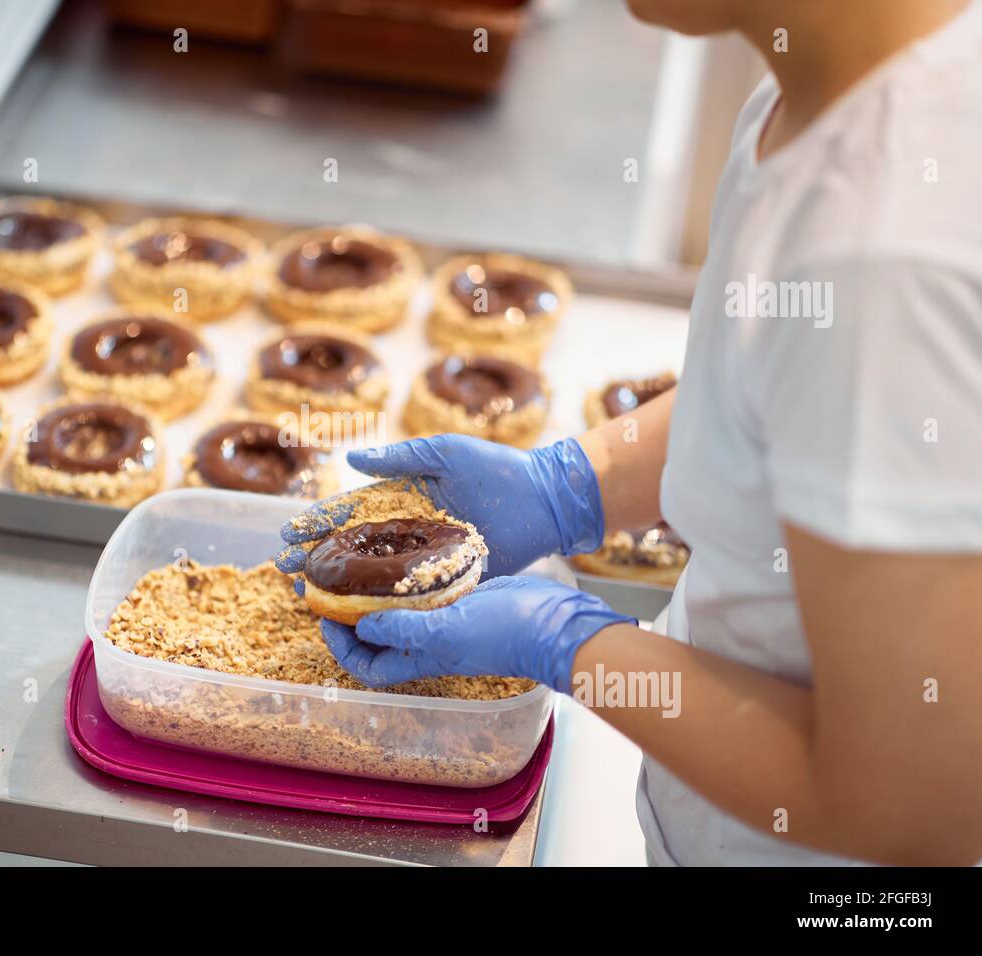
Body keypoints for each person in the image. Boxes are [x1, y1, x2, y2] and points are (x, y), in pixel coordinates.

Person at [276, 0, 982, 865]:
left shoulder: (885, 255)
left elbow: (909, 802)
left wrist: (574, 645)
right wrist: (575, 484)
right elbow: (780, 392)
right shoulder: (814, 94)